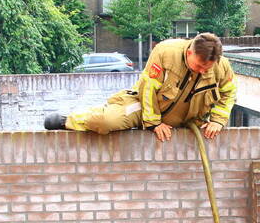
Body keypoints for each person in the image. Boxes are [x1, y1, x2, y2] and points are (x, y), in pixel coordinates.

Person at [44, 32, 236, 141]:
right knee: (104, 121)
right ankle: (68, 120)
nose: (202, 71)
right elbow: (148, 88)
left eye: (207, 68)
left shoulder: (221, 66)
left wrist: (218, 120)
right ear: (189, 52)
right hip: (148, 108)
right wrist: (154, 123)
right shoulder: (165, 52)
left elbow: (229, 93)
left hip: (188, 118)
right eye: (199, 66)